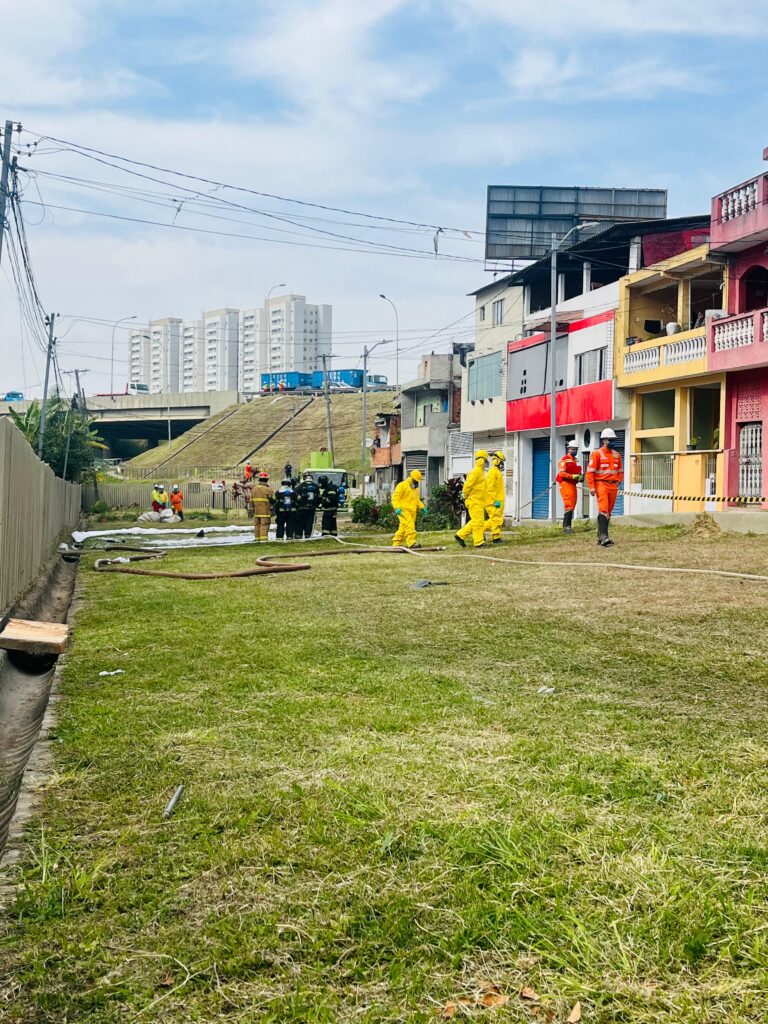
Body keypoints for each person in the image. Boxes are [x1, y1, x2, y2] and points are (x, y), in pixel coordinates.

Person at [586, 428, 623, 547]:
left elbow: (620, 471)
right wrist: (592, 487)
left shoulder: (617, 455)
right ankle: (603, 537)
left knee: (609, 512)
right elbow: (590, 472)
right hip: (601, 484)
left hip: (613, 486)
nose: (613, 442)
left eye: (613, 439)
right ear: (604, 440)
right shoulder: (597, 454)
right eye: (611, 440)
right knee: (603, 509)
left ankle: (601, 536)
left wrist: (618, 481)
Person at [455, 450, 489, 548]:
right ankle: (478, 542)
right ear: (482, 460)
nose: (487, 462)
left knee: (476, 521)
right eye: (486, 460)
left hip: (478, 501)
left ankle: (460, 535)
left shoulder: (480, 472)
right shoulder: (475, 472)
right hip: (474, 501)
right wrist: (464, 496)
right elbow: (467, 485)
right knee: (478, 522)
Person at [391, 469, 425, 548]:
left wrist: (422, 507)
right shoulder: (402, 485)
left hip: (412, 511)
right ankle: (411, 542)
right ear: (412, 478)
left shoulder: (415, 489)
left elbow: (417, 500)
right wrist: (397, 508)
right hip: (402, 510)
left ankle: (396, 543)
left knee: (403, 526)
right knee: (410, 524)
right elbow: (395, 498)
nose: (417, 483)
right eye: (416, 481)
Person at [557, 440, 582, 534]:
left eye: (576, 449)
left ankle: (568, 526)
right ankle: (566, 527)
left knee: (573, 504)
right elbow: (562, 473)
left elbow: (577, 471)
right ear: (569, 449)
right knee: (569, 504)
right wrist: (572, 476)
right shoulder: (564, 460)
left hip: (573, 484)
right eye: (573, 449)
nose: (575, 451)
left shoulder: (576, 460)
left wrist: (580, 477)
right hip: (565, 483)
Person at [485, 450, 506, 544]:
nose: (502, 464)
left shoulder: (497, 472)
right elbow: (490, 488)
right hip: (494, 501)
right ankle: (496, 537)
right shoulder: (493, 472)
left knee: (495, 520)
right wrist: (494, 501)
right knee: (496, 519)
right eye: (501, 462)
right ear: (497, 461)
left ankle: (478, 530)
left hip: (498, 501)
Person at [294, 471, 321, 539]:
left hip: (301, 509)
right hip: (311, 509)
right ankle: (308, 536)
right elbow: (318, 498)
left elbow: (295, 496)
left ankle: (298, 536)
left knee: (300, 523)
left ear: (304, 479)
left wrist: (297, 505)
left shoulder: (299, 487)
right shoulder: (316, 487)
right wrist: (317, 505)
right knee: (309, 523)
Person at [251, 471, 274, 542]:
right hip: (265, 511)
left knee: (257, 525)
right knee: (264, 525)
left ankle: (257, 539)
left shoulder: (254, 489)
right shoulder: (268, 489)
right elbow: (273, 500)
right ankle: (263, 540)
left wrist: (253, 509)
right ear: (267, 479)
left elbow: (251, 501)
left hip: (256, 511)